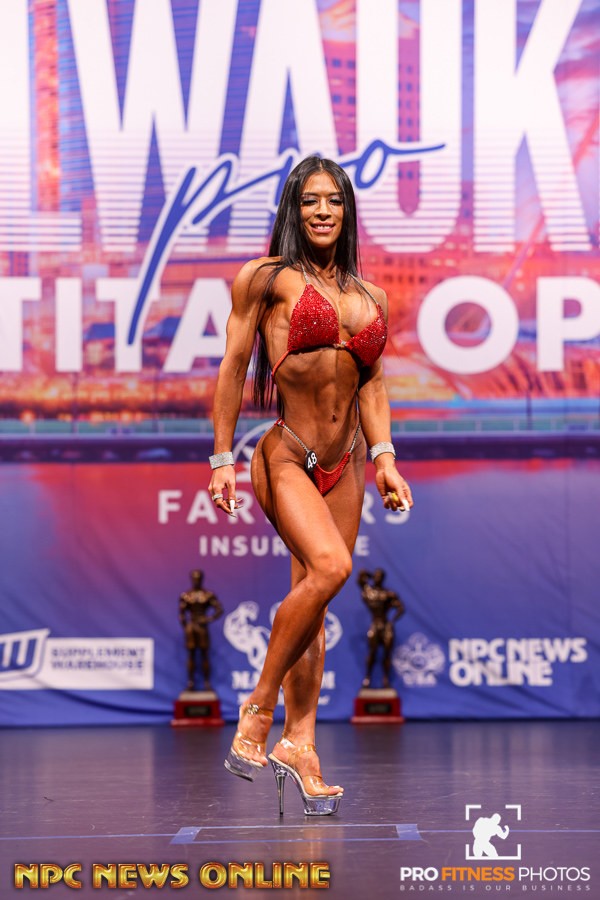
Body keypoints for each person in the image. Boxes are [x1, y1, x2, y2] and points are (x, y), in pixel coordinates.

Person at [208, 155, 413, 816]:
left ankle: (301, 745)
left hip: (346, 462)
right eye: (310, 201)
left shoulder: (372, 297)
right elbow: (234, 365)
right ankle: (259, 708)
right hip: (287, 455)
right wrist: (221, 457)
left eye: (334, 200)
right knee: (331, 568)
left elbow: (372, 384)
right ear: (293, 209)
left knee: (316, 605)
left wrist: (384, 457)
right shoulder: (265, 279)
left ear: (347, 210)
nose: (323, 211)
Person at [357, 568, 405, 689]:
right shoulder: (369, 593)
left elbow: (401, 608)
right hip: (375, 625)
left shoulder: (388, 594)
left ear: (383, 578)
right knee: (372, 652)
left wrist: (392, 621)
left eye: (379, 576)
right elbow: (360, 577)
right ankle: (367, 677)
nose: (377, 578)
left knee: (387, 653)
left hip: (386, 625)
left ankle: (385, 679)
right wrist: (370, 574)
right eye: (376, 576)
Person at [178, 569, 223, 691]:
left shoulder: (207, 595)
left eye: (198, 578)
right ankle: (191, 682)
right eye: (194, 578)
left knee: (204, 655)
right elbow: (181, 614)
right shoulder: (186, 596)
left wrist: (208, 619)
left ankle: (207, 682)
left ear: (201, 579)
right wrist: (186, 626)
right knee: (191, 655)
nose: (196, 580)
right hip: (192, 626)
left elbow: (219, 609)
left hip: (202, 627)